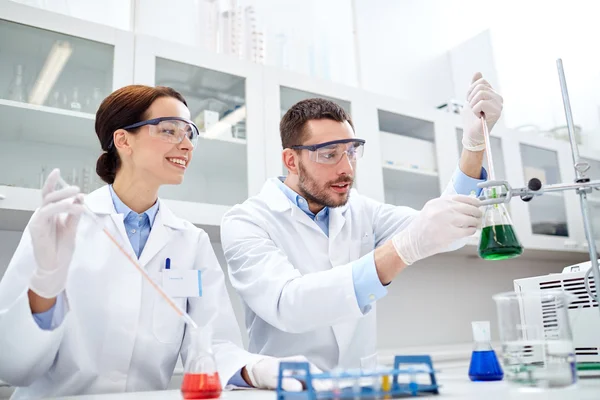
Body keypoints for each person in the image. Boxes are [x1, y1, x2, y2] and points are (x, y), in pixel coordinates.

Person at [0, 85, 320, 399]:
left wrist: (259, 369)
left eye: (190, 134)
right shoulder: (60, 223)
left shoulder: (190, 242)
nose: (187, 145)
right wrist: (44, 288)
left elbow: (210, 345)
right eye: (169, 130)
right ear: (123, 140)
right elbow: (12, 366)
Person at [220, 73, 503, 371]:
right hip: (289, 389)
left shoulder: (361, 210)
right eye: (329, 155)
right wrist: (401, 250)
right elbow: (288, 305)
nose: (346, 168)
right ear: (291, 161)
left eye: (351, 152)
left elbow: (445, 228)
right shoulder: (246, 221)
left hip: (359, 385)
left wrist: (473, 147)